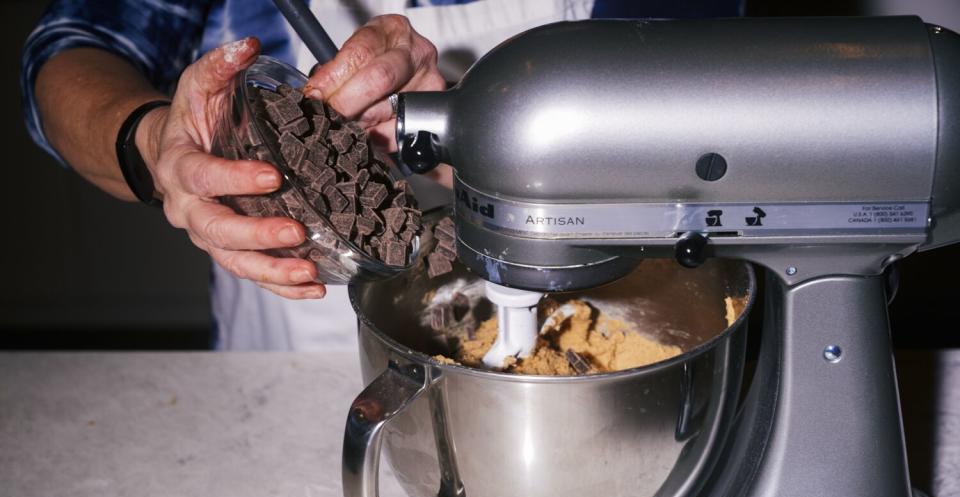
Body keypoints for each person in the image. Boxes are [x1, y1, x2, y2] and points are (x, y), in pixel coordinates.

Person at [22, 0, 743, 351]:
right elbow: (69, 52)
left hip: (596, 307)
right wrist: (155, 141)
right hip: (290, 349)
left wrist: (492, 125)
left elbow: (692, 97)